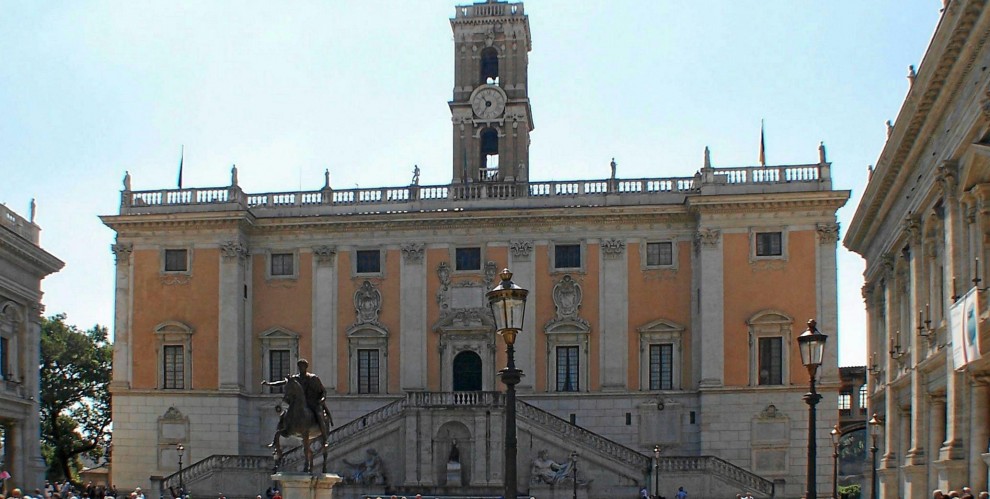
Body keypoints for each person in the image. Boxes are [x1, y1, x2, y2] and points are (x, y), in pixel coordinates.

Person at [263, 359, 331, 447]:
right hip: (299, 402)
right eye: (299, 367)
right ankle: (276, 439)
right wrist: (269, 384)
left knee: (319, 415)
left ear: (306, 367)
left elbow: (323, 391)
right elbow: (282, 383)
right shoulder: (295, 378)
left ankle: (325, 439)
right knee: (283, 415)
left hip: (312, 402)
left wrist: (322, 400)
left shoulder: (313, 378)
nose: (300, 369)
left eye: (302, 367)